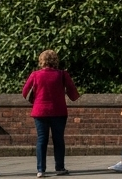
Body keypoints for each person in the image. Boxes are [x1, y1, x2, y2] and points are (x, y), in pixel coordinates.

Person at [21, 49, 80, 177]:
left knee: (42, 140)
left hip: (39, 111)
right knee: (58, 140)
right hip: (58, 111)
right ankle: (59, 167)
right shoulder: (62, 74)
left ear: (41, 61)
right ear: (55, 61)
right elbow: (73, 92)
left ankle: (40, 170)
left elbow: (25, 92)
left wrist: (35, 100)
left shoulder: (35, 75)